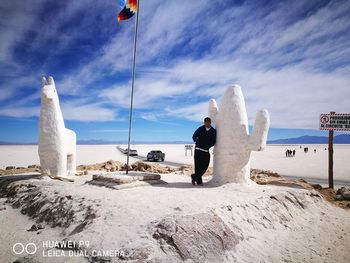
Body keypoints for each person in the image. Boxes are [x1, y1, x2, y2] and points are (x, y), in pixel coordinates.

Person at [191, 117, 216, 185]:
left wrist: (208, 145)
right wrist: (198, 142)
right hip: (198, 150)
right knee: (198, 166)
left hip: (206, 151)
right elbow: (194, 136)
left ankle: (194, 177)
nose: (207, 123)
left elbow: (214, 141)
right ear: (204, 122)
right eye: (206, 122)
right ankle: (199, 181)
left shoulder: (213, 131)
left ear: (210, 122)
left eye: (208, 122)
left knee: (205, 165)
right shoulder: (200, 128)